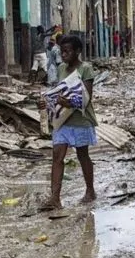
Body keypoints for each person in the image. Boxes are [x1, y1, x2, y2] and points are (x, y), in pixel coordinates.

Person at [38, 35, 97, 210]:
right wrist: (46, 101)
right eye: (62, 51)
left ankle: (90, 190)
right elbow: (59, 91)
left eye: (67, 51)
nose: (63, 55)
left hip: (80, 119)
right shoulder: (62, 68)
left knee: (82, 155)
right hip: (63, 119)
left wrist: (69, 102)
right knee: (57, 156)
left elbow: (86, 97)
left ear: (77, 51)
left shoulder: (86, 69)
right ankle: (55, 198)